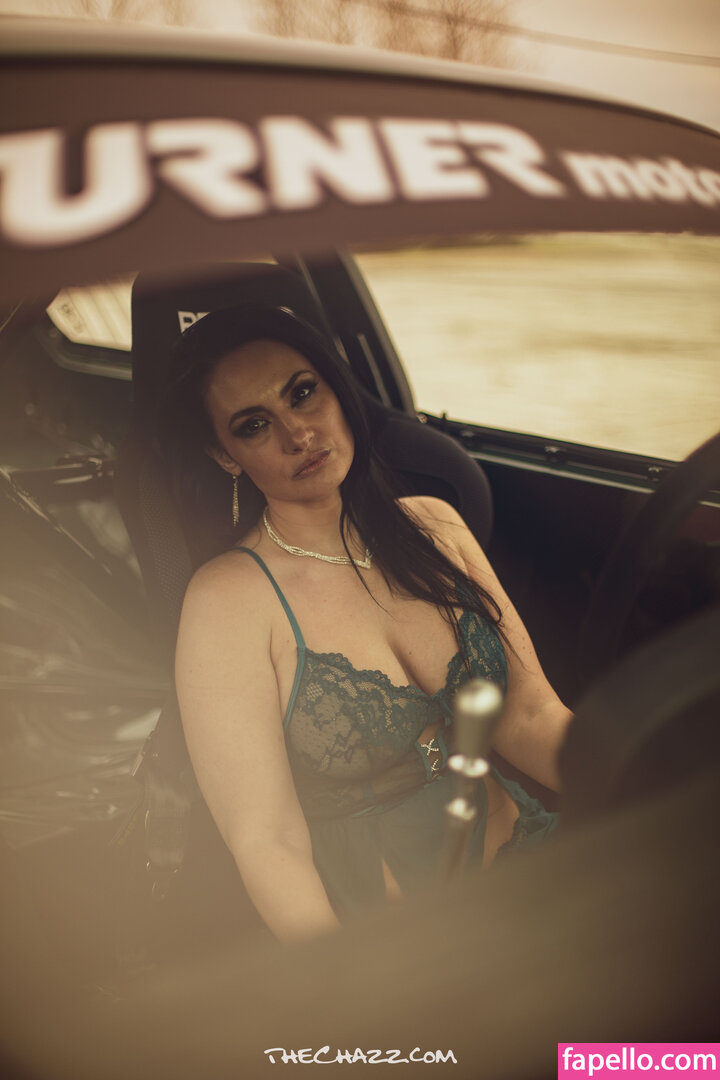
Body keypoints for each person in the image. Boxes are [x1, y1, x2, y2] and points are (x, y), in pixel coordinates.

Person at [162, 304, 573, 942]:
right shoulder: (227, 600)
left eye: (303, 394)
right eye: (254, 425)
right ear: (225, 454)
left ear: (337, 389)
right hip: (394, 939)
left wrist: (652, 780)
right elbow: (268, 841)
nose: (298, 434)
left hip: (532, 858)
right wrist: (348, 981)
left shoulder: (436, 526)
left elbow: (529, 715)